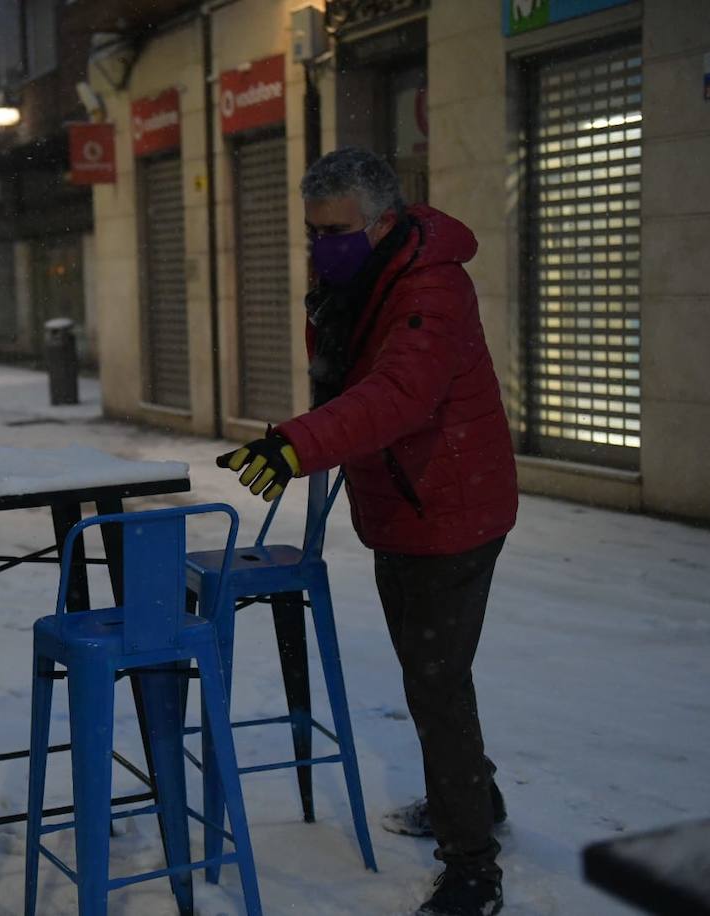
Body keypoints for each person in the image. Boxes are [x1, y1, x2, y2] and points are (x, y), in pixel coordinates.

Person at [217, 147, 517, 916]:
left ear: (384, 221)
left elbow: (399, 393)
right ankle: (476, 799)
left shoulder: (431, 287)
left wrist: (295, 444)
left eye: (337, 230)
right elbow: (350, 379)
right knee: (435, 672)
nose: (323, 246)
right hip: (402, 507)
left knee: (435, 683)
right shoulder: (358, 276)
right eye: (313, 232)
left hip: (452, 509)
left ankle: (473, 868)